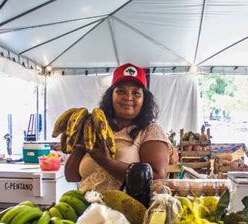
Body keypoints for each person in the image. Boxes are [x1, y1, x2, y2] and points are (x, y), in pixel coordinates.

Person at [65, 63, 171, 193]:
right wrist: (80, 145)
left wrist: (105, 161)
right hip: (87, 209)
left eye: (136, 93)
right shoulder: (95, 130)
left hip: (126, 211)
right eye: (121, 91)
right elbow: (71, 176)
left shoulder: (150, 131)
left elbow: (156, 177)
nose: (128, 97)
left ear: (144, 100)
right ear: (111, 96)